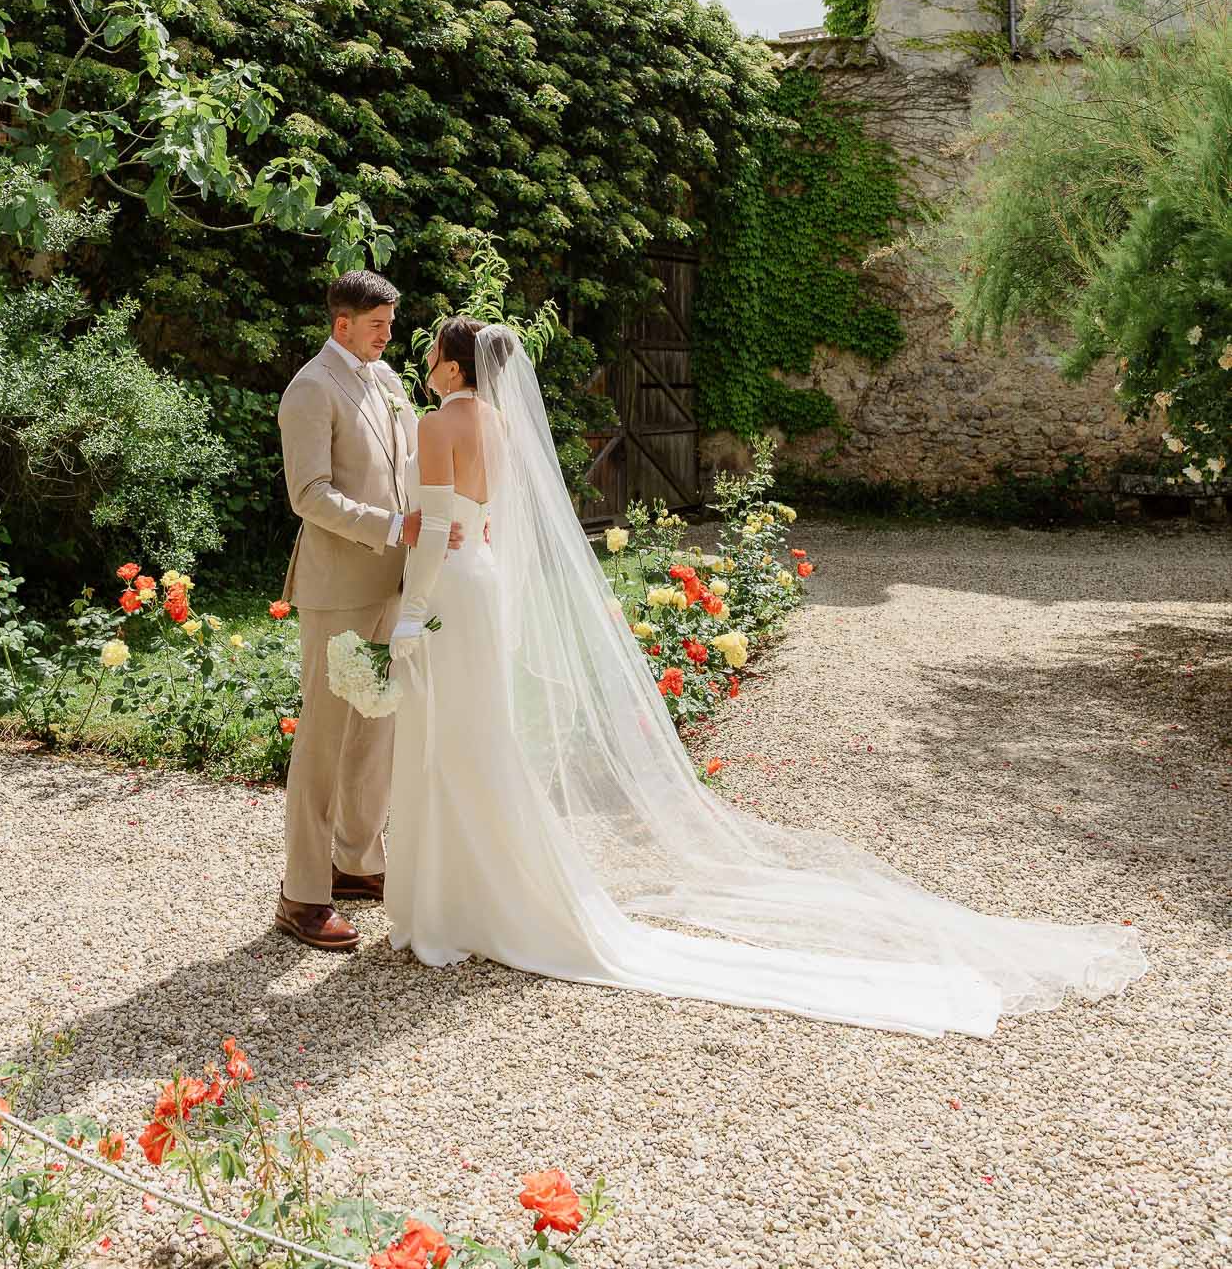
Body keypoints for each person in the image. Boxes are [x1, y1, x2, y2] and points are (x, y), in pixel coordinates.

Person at [379, 315, 1147, 1037]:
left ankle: (453, 903)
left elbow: (437, 527)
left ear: (451, 363)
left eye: (430, 357)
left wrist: (409, 614)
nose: (424, 366)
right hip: (478, 581)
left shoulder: (438, 421)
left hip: (446, 585)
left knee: (448, 737)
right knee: (477, 735)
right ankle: (484, 891)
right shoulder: (502, 423)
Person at [273, 270, 462, 951]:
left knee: (376, 729)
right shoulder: (309, 389)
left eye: (390, 322)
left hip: (395, 582)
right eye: (378, 324)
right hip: (337, 585)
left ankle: (354, 862)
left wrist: (444, 521)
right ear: (342, 323)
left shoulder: (384, 383)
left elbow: (412, 465)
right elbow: (309, 495)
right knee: (325, 738)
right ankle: (301, 895)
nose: (389, 334)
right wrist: (393, 528)